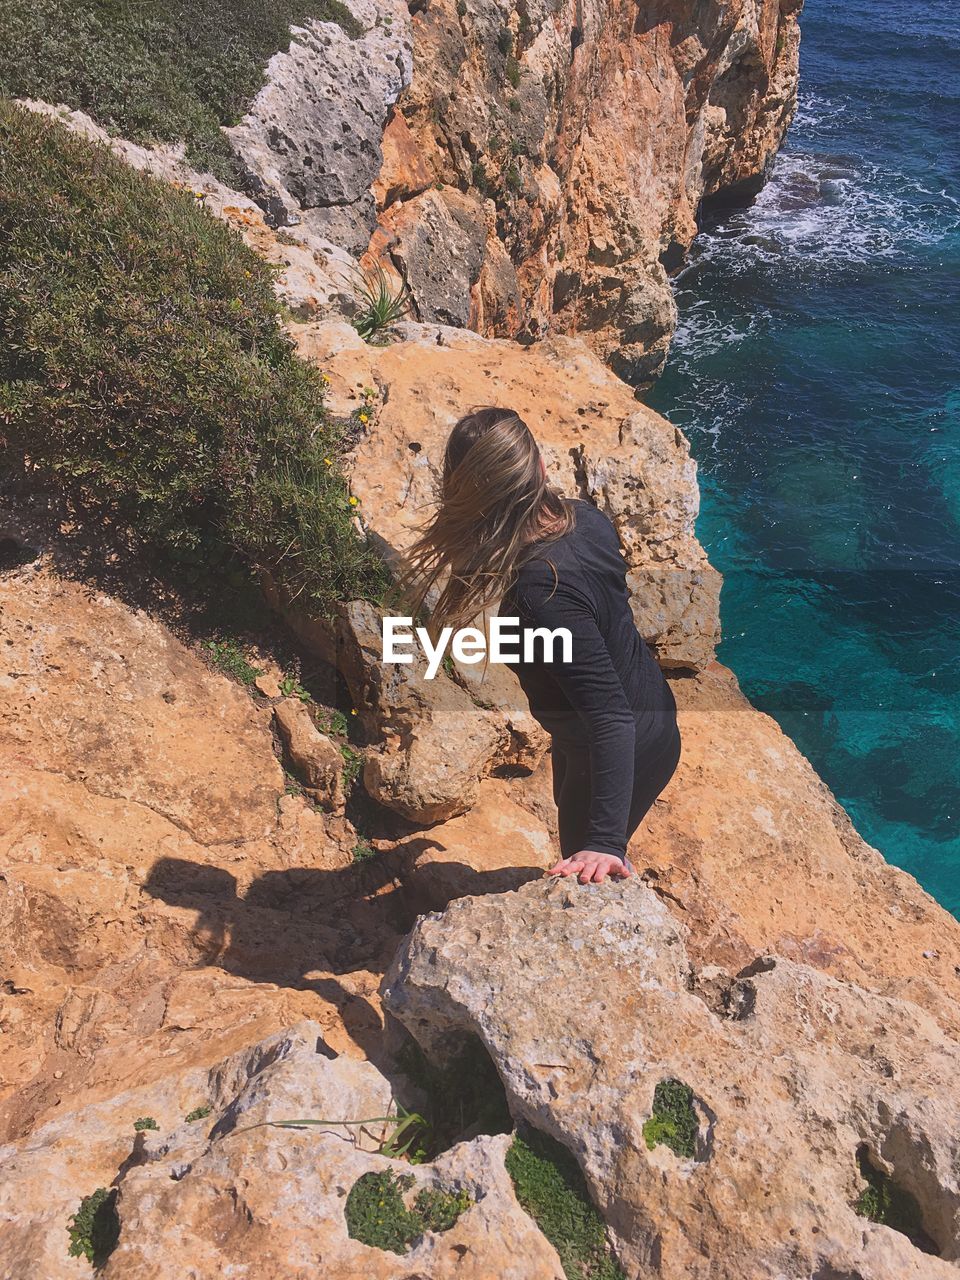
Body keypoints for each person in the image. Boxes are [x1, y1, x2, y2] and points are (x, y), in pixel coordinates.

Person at [400, 407, 681, 886]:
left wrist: (605, 843)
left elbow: (610, 715)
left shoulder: (541, 592)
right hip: (637, 716)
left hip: (617, 740)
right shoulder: (585, 519)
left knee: (583, 869)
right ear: (542, 470)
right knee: (569, 805)